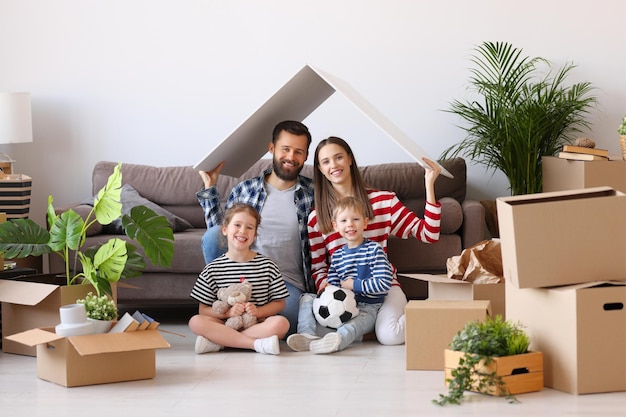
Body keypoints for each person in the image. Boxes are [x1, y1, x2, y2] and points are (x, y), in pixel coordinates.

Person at [294, 136, 442, 346]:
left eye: (338, 158)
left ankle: (430, 309)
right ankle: (367, 328)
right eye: (326, 161)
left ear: (350, 160)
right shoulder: (316, 218)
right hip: (346, 295)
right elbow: (319, 268)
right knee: (321, 331)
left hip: (385, 287)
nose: (334, 165)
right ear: (320, 169)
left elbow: (430, 234)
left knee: (390, 337)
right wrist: (331, 290)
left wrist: (429, 184)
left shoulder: (383, 201)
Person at [196, 120, 315, 336]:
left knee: (287, 322)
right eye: (285, 149)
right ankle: (244, 325)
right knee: (212, 235)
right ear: (272, 149)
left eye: (298, 152)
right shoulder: (246, 189)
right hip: (243, 279)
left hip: (286, 285)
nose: (291, 157)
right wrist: (210, 187)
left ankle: (230, 330)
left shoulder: (313, 193)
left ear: (306, 156)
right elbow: (222, 234)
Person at [287, 196, 393, 354]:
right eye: (344, 221)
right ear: (336, 226)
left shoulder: (374, 250)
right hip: (339, 307)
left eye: (355, 219)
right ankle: (306, 334)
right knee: (307, 298)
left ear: (365, 223)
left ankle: (336, 341)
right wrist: (328, 288)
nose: (350, 224)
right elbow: (335, 284)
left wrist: (354, 285)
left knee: (351, 326)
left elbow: (384, 284)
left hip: (367, 308)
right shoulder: (337, 256)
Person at [188, 203, 290, 355]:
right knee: (195, 321)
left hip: (256, 324)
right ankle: (255, 344)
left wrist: (258, 311)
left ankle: (221, 342)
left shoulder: (267, 265)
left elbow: (280, 303)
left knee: (281, 324)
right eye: (237, 225)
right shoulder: (212, 269)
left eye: (249, 227)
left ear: (255, 234)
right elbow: (203, 310)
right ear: (225, 229)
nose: (243, 231)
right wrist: (228, 314)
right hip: (225, 324)